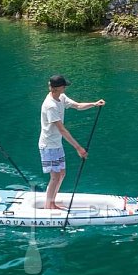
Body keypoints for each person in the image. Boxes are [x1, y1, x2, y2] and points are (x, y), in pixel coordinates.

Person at [39, 74, 105, 210]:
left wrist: (94, 104)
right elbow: (62, 130)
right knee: (55, 176)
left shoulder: (61, 97)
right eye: (64, 86)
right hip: (48, 145)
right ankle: (48, 206)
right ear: (57, 88)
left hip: (57, 144)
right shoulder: (50, 106)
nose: (65, 88)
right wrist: (78, 148)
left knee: (62, 173)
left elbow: (77, 106)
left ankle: (52, 202)